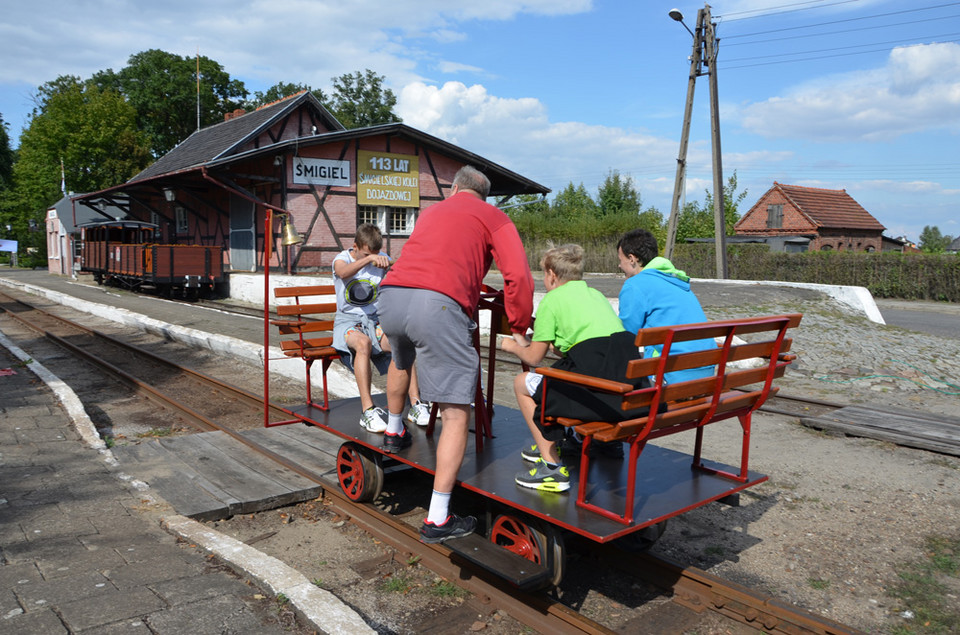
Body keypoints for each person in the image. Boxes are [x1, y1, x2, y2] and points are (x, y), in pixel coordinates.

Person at [378, 165, 534, 544]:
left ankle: (394, 431)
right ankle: (438, 517)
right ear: (484, 194)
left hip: (393, 294)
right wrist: (518, 325)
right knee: (455, 409)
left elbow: (433, 257)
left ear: (454, 189)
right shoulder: (494, 217)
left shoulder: (432, 213)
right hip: (438, 304)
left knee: (403, 358)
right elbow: (518, 276)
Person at [500, 244, 639, 492]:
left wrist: (512, 346)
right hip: (624, 390)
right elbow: (595, 345)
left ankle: (551, 467)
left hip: (598, 393)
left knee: (522, 383)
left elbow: (533, 358)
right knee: (563, 376)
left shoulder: (551, 301)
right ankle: (570, 441)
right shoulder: (595, 295)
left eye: (544, 274)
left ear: (552, 274)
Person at [332, 224, 431, 433]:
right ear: (355, 247)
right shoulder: (342, 258)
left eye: (375, 253)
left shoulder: (382, 257)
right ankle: (367, 411)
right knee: (363, 344)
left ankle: (416, 404)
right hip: (348, 322)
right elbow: (342, 273)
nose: (374, 257)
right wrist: (367, 260)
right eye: (368, 253)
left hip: (375, 321)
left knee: (404, 342)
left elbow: (402, 275)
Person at [617, 228, 714, 384]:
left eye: (620, 260)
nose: (619, 266)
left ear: (631, 258)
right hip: (706, 372)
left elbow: (625, 337)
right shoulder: (677, 281)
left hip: (671, 376)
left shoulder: (635, 285)